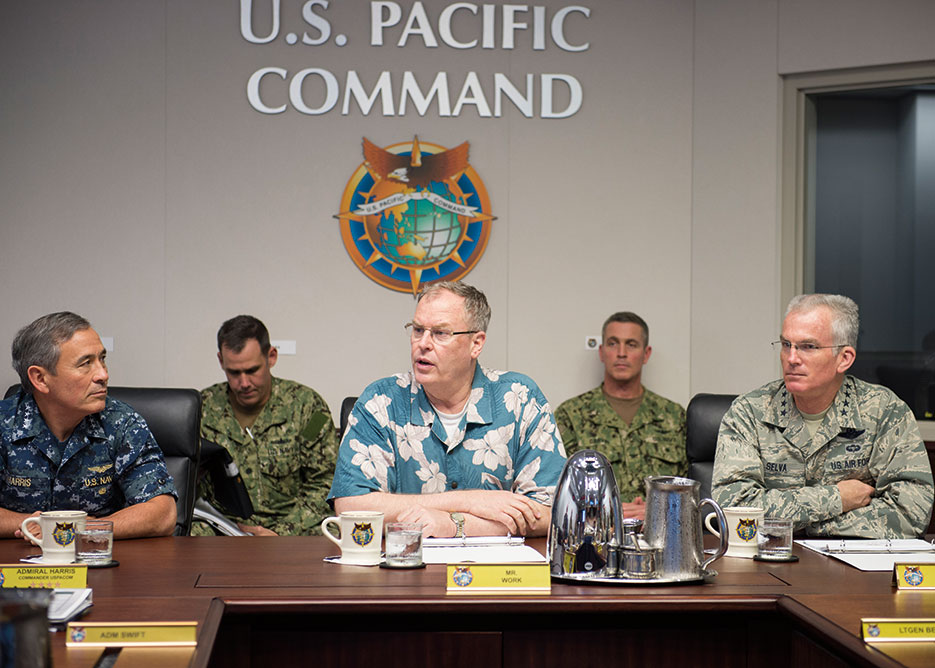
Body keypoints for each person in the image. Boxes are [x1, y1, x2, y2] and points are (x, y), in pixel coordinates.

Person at [329, 281, 566, 538]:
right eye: (418, 330)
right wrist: (469, 501)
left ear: (476, 343)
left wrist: (455, 525)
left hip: (495, 573)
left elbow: (551, 510)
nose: (423, 343)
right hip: (404, 567)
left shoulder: (519, 398)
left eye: (441, 333)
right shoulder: (381, 401)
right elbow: (351, 506)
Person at [713, 294, 934, 538]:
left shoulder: (884, 412)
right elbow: (733, 509)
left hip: (855, 568)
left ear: (844, 358)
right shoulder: (749, 412)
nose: (792, 358)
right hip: (768, 564)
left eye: (808, 347)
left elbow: (910, 511)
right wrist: (838, 499)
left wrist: (808, 527)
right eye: (786, 345)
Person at [0, 312, 177, 539]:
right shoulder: (5, 424)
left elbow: (162, 514)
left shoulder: (121, 422)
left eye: (102, 359)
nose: (103, 374)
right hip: (17, 567)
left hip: (98, 559)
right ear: (40, 379)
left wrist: (79, 528)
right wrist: (34, 524)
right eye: (85, 364)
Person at [199, 315, 338, 536]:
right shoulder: (202, 409)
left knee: (327, 531)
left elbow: (326, 483)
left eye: (252, 370)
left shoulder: (309, 408)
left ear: (271, 356)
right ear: (221, 361)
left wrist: (282, 533)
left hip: (293, 529)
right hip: (223, 528)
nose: (244, 383)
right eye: (234, 373)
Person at [555, 312, 686, 521]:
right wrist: (606, 509)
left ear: (646, 354)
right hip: (597, 537)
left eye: (632, 344)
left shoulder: (673, 416)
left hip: (661, 539)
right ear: (601, 351)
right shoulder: (570, 415)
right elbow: (557, 492)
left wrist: (657, 509)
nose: (621, 353)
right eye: (613, 344)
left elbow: (691, 492)